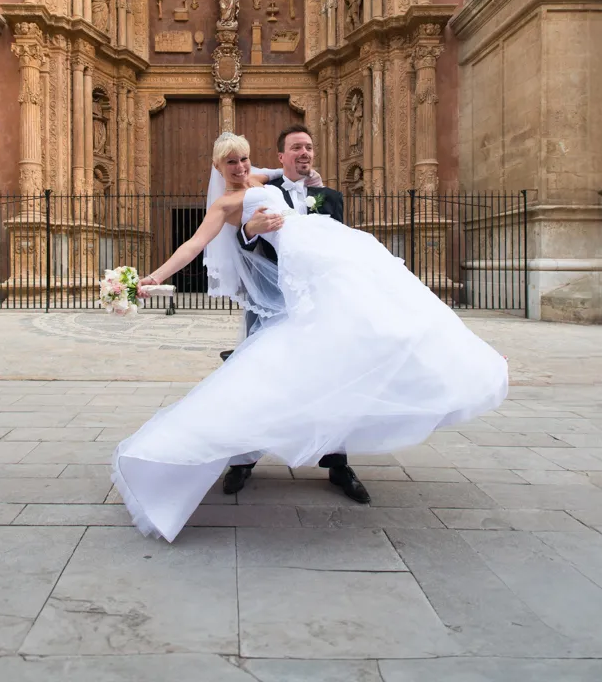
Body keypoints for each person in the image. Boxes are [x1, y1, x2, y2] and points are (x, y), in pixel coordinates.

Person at [112, 132, 508, 543]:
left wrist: (309, 174)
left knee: (358, 342)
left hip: (325, 262)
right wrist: (156, 276)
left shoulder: (267, 180)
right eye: (230, 162)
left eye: (244, 159)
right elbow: (195, 244)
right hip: (290, 282)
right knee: (264, 375)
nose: (240, 167)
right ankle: (236, 456)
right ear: (217, 167)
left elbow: (292, 171)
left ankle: (343, 451)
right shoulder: (226, 204)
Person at [221, 125, 370, 503]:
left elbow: (340, 248)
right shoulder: (259, 194)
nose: (304, 153)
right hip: (271, 302)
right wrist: (249, 231)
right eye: (296, 148)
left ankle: (337, 462)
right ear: (281, 158)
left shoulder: (330, 198)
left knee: (329, 380)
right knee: (256, 380)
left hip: (317, 304)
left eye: (309, 147)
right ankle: (243, 459)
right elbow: (241, 239)